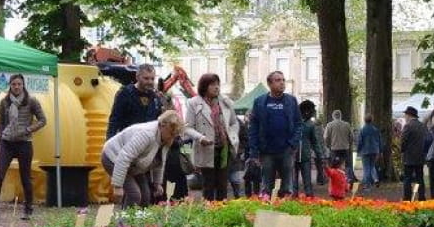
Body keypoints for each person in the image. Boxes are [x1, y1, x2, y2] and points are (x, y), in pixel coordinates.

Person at [0, 74, 46, 220]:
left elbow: (43, 120)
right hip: (7, 142)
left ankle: (28, 209)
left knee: (25, 177)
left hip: (24, 143)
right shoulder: (4, 102)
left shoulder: (31, 101)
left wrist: (28, 129)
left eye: (19, 84)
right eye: (13, 84)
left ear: (23, 85)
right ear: (10, 86)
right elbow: (1, 123)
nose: (16, 87)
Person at [102, 110, 187, 207]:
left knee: (146, 196)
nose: (172, 137)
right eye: (171, 133)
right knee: (134, 195)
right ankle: (124, 221)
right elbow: (124, 157)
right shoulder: (147, 134)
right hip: (113, 158)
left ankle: (141, 221)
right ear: (162, 125)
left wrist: (157, 183)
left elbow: (159, 161)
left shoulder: (166, 138)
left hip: (134, 164)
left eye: (175, 135)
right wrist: (118, 186)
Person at [247, 71, 302, 197]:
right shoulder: (260, 102)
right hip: (267, 151)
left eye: (283, 80)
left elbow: (299, 123)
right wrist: (254, 151)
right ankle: (267, 210)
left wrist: (293, 143)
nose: (282, 83)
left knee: (287, 186)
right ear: (269, 83)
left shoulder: (291, 100)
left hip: (286, 150)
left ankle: (286, 210)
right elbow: (253, 127)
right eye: (278, 80)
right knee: (267, 186)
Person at [185, 73, 239, 201]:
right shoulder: (193, 103)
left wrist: (233, 135)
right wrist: (200, 138)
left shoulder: (225, 102)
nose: (217, 87)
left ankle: (222, 213)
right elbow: (187, 127)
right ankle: (208, 214)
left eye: (218, 84)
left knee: (222, 185)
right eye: (213, 84)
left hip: (224, 148)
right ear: (204, 86)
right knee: (208, 185)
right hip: (206, 149)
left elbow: (234, 122)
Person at [107, 63, 164, 139]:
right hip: (128, 142)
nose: (150, 82)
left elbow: (159, 120)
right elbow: (114, 121)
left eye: (152, 79)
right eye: (146, 78)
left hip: (148, 143)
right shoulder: (125, 94)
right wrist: (110, 142)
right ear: (137, 77)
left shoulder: (155, 97)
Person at [296, 100, 325, 196]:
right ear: (306, 111)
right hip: (293, 156)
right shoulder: (294, 122)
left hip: (305, 156)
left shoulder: (310, 125)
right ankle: (294, 197)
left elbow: (314, 142)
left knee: (307, 181)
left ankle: (309, 197)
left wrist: (319, 155)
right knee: (293, 182)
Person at [400, 106, 429, 200]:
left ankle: (407, 198)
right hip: (420, 156)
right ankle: (422, 197)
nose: (405, 117)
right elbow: (427, 140)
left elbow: (403, 141)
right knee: (420, 178)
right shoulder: (422, 126)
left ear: (409, 115)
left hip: (409, 156)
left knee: (407, 179)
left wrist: (402, 150)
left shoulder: (408, 126)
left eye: (405, 115)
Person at [323, 109, 355, 182]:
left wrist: (328, 145)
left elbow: (326, 137)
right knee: (347, 164)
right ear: (341, 116)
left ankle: (335, 180)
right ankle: (348, 178)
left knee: (335, 164)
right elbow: (352, 136)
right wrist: (349, 143)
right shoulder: (347, 124)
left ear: (333, 116)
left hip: (334, 148)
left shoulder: (329, 125)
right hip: (345, 147)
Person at [356, 116, 382, 188]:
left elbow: (360, 142)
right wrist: (380, 150)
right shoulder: (375, 130)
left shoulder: (362, 130)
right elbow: (379, 141)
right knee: (372, 166)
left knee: (366, 167)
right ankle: (376, 179)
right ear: (372, 120)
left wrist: (358, 150)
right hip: (374, 150)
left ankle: (367, 184)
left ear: (364, 120)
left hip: (365, 151)